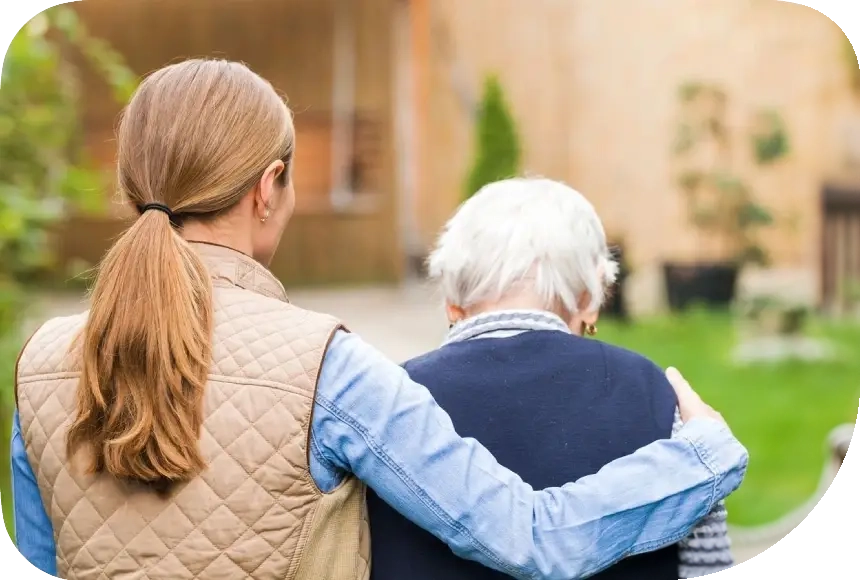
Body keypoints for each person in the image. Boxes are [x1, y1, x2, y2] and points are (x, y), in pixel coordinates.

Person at [10, 59, 747, 580]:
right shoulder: (325, 367)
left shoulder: (40, 362)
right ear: (270, 188)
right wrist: (702, 458)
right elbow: (530, 538)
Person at [367, 178, 736, 580]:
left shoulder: (391, 399)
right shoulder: (656, 394)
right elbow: (706, 563)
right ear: (590, 299)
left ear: (452, 304)